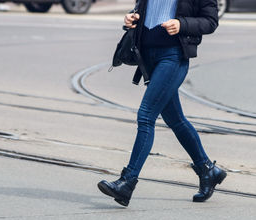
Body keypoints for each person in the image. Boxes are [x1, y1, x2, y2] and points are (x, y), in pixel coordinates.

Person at [97, 0, 226, 206]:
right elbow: (146, 10)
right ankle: (207, 169)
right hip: (148, 56)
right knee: (175, 120)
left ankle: (127, 182)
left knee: (146, 115)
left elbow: (210, 21)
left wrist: (182, 25)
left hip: (173, 56)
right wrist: (132, 17)